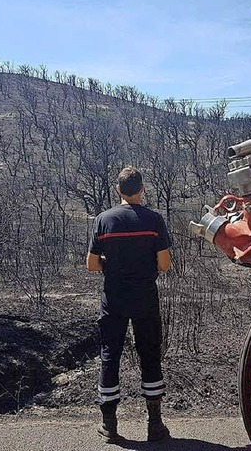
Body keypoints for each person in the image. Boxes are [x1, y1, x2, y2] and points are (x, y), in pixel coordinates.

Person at [86, 166, 172, 443]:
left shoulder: (103, 220)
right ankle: (155, 425)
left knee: (110, 354)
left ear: (117, 190)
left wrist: (111, 265)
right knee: (149, 354)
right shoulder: (154, 220)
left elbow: (91, 265)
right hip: (145, 296)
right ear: (142, 189)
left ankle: (109, 425)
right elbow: (165, 264)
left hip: (114, 297)